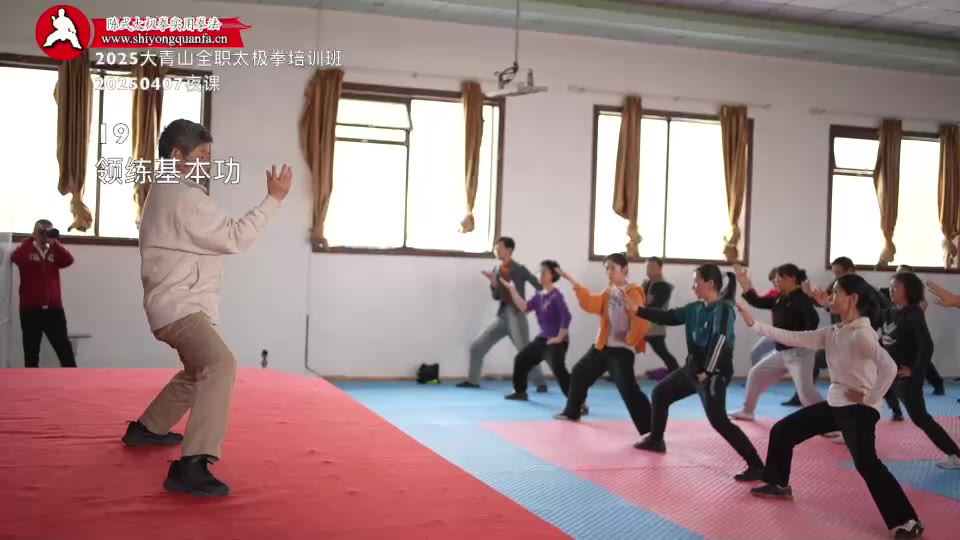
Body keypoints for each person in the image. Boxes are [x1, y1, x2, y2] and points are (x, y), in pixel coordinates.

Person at [122, 119, 292, 497]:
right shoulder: (184, 198)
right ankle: (192, 465)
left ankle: (147, 428)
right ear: (177, 155)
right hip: (180, 308)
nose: (208, 163)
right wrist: (274, 199)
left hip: (174, 305)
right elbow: (235, 237)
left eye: (210, 156)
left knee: (199, 369)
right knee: (221, 364)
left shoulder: (165, 191)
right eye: (202, 155)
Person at [738, 274, 924, 540]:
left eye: (836, 292)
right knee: (783, 431)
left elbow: (889, 368)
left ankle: (908, 521)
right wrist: (754, 324)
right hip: (836, 404)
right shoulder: (835, 332)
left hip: (858, 411)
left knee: (867, 465)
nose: (830, 297)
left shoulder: (862, 335)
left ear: (853, 299)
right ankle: (778, 483)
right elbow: (794, 337)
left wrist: (869, 399)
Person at [628, 264, 765, 482]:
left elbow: (720, 340)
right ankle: (656, 440)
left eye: (696, 282)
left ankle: (757, 465)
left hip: (713, 374)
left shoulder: (724, 309)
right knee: (661, 393)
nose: (693, 287)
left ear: (710, 284)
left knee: (719, 421)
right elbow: (669, 317)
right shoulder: (694, 308)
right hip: (692, 370)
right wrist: (638, 310)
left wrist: (708, 371)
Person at [552, 254, 651, 438]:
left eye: (612, 268)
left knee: (628, 390)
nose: (609, 272)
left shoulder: (634, 292)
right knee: (579, 372)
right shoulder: (609, 292)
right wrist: (573, 282)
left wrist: (630, 338)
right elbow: (590, 303)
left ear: (624, 269)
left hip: (621, 352)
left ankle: (651, 430)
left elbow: (642, 320)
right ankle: (573, 411)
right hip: (603, 346)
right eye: (606, 269)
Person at [875, 272, 959, 468]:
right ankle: (848, 432)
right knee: (862, 400)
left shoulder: (913, 314)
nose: (891, 290)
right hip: (889, 373)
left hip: (905, 378)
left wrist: (915, 370)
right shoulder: (889, 312)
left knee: (920, 418)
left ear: (908, 290)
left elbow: (926, 345)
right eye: (891, 286)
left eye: (896, 287)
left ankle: (955, 454)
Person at [729, 263, 823, 421]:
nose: (776, 281)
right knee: (756, 374)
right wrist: (745, 285)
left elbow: (813, 319)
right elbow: (758, 301)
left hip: (799, 354)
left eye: (779, 278)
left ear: (791, 278)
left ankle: (834, 421)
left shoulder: (801, 298)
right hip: (781, 352)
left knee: (806, 394)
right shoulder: (780, 297)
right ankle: (747, 411)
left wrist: (805, 341)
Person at [459, 237, 548, 391]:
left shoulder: (520, 269)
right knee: (477, 347)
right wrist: (494, 284)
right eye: (495, 247)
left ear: (509, 250)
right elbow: (497, 296)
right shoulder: (496, 270)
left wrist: (532, 305)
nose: (496, 250)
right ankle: (473, 381)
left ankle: (541, 383)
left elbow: (540, 286)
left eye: (499, 247)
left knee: (525, 350)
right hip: (502, 315)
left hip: (516, 315)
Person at [501, 260, 573, 401]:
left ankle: (578, 402)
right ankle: (520, 392)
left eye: (544, 271)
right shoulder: (539, 295)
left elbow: (567, 317)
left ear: (553, 275)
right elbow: (524, 307)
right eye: (539, 271)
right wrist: (512, 290)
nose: (540, 274)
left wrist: (559, 338)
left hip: (557, 341)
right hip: (542, 339)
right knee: (521, 360)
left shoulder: (556, 296)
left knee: (559, 370)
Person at [10, 219, 77, 368]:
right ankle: (31, 381)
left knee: (65, 351)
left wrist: (54, 243)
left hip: (54, 309)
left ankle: (74, 378)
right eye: (42, 231)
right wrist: (32, 240)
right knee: (31, 353)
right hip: (31, 309)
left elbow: (68, 260)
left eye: (49, 231)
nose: (45, 235)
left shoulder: (53, 250)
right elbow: (16, 257)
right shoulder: (27, 249)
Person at [878, 265, 945, 396]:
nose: (893, 288)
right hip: (897, 336)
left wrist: (912, 313)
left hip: (909, 333)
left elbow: (926, 345)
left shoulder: (914, 310)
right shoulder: (891, 302)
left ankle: (937, 383)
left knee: (920, 357)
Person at [641, 257, 678, 381]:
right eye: (648, 267)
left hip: (654, 327)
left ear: (660, 269)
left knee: (662, 352)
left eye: (652, 267)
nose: (649, 269)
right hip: (643, 324)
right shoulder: (647, 284)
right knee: (623, 345)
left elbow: (654, 305)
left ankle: (676, 373)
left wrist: (644, 303)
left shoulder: (663, 286)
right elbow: (641, 302)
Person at [749, 268, 781, 368]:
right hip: (775, 332)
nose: (775, 284)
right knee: (755, 353)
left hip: (790, 337)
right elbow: (758, 301)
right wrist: (749, 286)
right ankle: (755, 377)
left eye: (777, 281)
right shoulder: (773, 293)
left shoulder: (794, 296)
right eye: (773, 282)